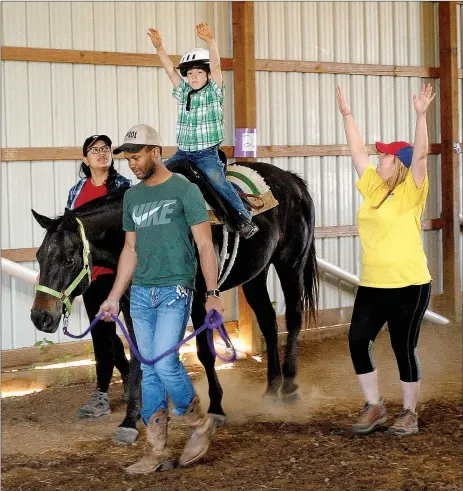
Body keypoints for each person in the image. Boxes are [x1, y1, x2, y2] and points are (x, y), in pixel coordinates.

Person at [97, 124, 225, 474]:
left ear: (155, 151)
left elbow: (203, 245)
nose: (131, 164)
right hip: (140, 294)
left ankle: (199, 423)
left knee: (163, 362)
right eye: (127, 158)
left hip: (175, 290)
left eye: (136, 157)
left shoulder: (185, 190)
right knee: (150, 370)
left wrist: (212, 293)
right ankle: (157, 450)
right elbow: (130, 249)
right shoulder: (133, 197)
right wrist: (113, 297)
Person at [336, 84, 436, 436]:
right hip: (373, 283)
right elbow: (356, 152)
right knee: (357, 339)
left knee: (402, 347)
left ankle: (409, 413)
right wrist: (347, 115)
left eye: (386, 157)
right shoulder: (374, 187)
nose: (379, 159)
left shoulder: (413, 190)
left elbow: (421, 157)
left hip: (409, 284)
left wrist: (421, 116)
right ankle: (374, 406)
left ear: (400, 165)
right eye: (380, 156)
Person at [147, 22, 259, 239]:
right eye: (190, 73)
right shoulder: (183, 91)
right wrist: (160, 48)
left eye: (199, 72)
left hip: (206, 154)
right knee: (156, 176)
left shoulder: (214, 92)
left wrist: (210, 41)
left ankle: (242, 217)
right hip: (183, 152)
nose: (194, 76)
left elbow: (217, 67)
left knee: (218, 182)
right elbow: (170, 71)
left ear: (207, 74)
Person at [67, 134, 132, 418]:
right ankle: (128, 374)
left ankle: (102, 394)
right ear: (85, 159)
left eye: (106, 149)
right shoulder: (76, 191)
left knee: (104, 333)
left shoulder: (123, 188)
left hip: (118, 271)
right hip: (89, 274)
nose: (101, 153)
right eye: (95, 150)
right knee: (102, 331)